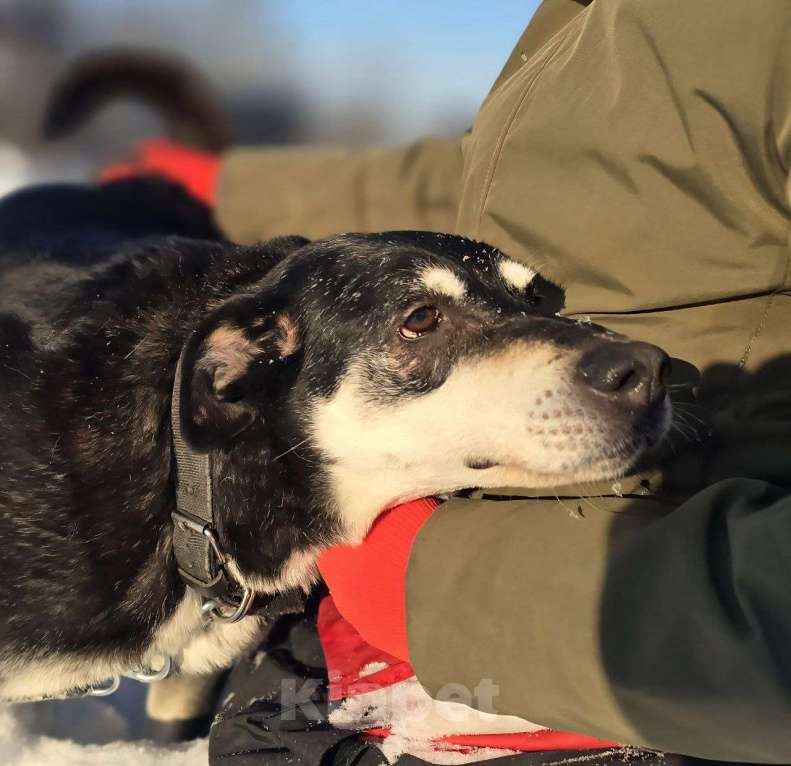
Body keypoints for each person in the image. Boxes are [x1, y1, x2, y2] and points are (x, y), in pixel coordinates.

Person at [118, 1, 791, 761]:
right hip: (451, 546)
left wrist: (442, 588)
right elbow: (521, 172)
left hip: (637, 618)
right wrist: (236, 188)